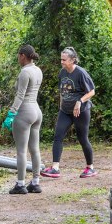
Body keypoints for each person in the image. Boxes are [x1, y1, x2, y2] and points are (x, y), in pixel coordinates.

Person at [41, 47, 97, 179]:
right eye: (61, 59)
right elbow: (62, 91)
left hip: (80, 111)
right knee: (58, 136)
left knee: (83, 139)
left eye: (64, 60)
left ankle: (90, 168)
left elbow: (92, 91)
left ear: (72, 60)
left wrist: (80, 101)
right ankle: (55, 168)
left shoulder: (81, 73)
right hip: (65, 111)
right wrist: (61, 105)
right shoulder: (62, 72)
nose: (61, 62)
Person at [2, 44, 44, 194]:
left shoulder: (25, 72)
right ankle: (35, 182)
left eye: (18, 56)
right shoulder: (37, 70)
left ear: (22, 56)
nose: (17, 59)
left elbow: (20, 95)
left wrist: (11, 113)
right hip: (36, 111)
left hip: (25, 112)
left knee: (21, 151)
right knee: (35, 149)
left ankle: (20, 184)